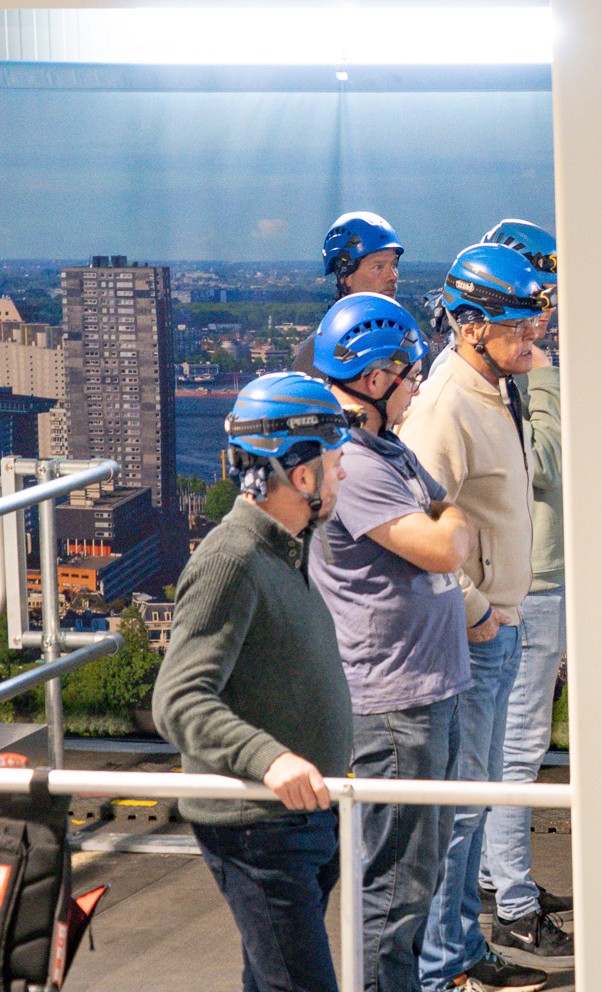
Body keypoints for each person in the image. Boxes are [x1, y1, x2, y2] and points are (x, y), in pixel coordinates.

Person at [304, 295, 485, 992]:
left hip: (422, 694)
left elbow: (447, 515)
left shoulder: (387, 448)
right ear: (375, 378)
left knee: (417, 877)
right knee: (393, 890)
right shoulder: (357, 459)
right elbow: (445, 543)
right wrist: (450, 523)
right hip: (392, 707)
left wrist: (449, 520)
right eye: (409, 374)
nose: (417, 386)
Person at [155, 372, 357, 992]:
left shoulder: (282, 551)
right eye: (335, 458)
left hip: (299, 820)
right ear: (301, 475)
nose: (344, 474)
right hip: (259, 828)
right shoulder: (231, 559)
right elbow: (179, 698)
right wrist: (268, 760)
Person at [401, 244, 551, 992]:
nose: (535, 337)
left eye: (536, 321)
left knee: (477, 801)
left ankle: (463, 956)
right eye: (520, 325)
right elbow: (417, 531)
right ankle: (440, 972)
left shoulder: (497, 389)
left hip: (502, 628)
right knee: (458, 815)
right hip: (473, 638)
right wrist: (478, 611)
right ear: (468, 327)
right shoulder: (445, 407)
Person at [480, 224, 576, 962]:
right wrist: (544, 373)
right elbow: (541, 462)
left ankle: (496, 875)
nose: (547, 310)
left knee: (508, 746)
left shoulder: (500, 373)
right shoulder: (513, 378)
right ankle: (511, 903)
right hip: (531, 581)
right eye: (541, 294)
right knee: (517, 750)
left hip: (535, 575)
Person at [294, 211, 405, 374]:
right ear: (345, 276)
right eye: (378, 267)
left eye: (394, 265)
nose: (392, 276)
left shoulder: (410, 340)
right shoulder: (319, 353)